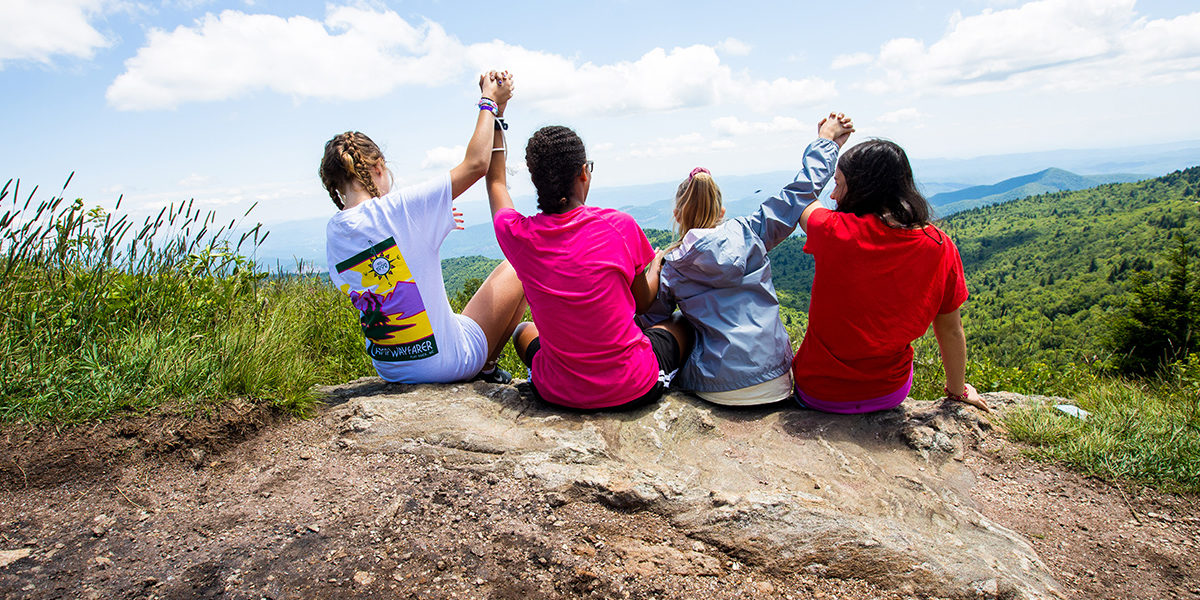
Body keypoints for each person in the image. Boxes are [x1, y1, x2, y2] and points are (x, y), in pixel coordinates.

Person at [321, 71, 526, 385]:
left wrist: (433, 225)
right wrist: (489, 103)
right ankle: (486, 368)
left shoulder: (334, 233)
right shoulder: (396, 209)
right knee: (519, 265)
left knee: (455, 319)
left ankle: (484, 366)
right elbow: (476, 166)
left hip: (391, 368)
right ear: (377, 167)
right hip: (447, 363)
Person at [640, 113, 853, 406]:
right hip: (776, 378)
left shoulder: (673, 265)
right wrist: (827, 143)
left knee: (679, 320)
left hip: (717, 385)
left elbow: (652, 321)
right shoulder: (751, 232)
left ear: (677, 216)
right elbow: (799, 193)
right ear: (722, 212)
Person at [485, 124, 691, 410]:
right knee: (682, 323)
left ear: (537, 181)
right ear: (583, 172)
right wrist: (654, 265)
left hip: (557, 392)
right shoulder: (619, 225)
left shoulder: (519, 235)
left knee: (522, 331)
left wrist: (496, 116)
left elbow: (495, 182)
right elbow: (643, 303)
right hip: (633, 386)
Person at [791, 138, 988, 413]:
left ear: (862, 189)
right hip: (888, 393)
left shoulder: (834, 231)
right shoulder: (939, 245)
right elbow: (950, 329)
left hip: (819, 392)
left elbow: (798, 196)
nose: (833, 195)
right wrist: (958, 391)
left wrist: (827, 142)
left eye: (838, 183)